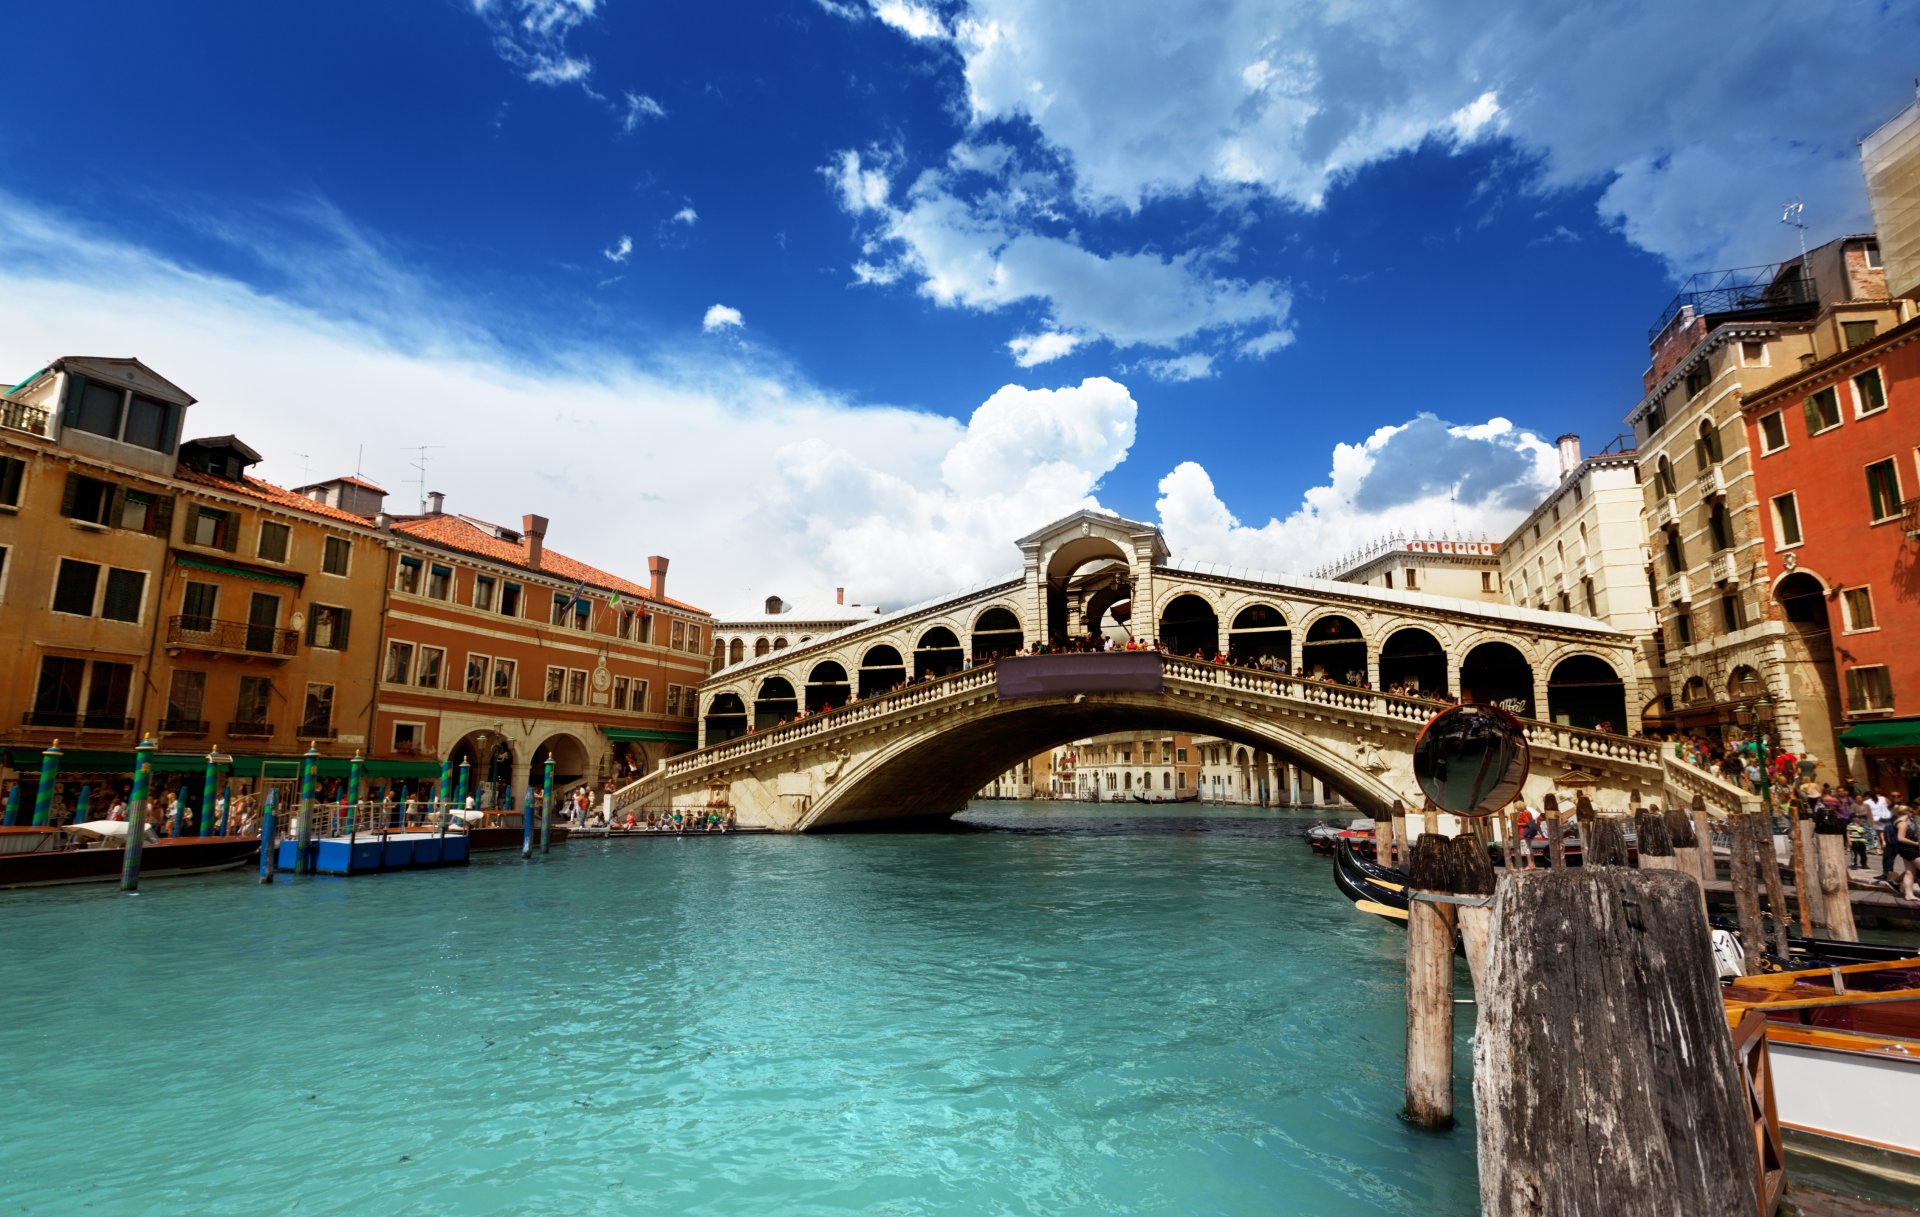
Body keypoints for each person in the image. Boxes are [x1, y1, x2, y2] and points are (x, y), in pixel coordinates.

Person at [1890, 806, 1920, 902]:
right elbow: (1901, 838)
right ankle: (1909, 894)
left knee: (1910, 872)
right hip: (1908, 849)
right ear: (1907, 812)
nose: (1913, 813)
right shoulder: (1902, 823)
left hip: (1906, 849)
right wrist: (1916, 843)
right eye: (1911, 811)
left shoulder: (1902, 821)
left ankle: (1909, 895)